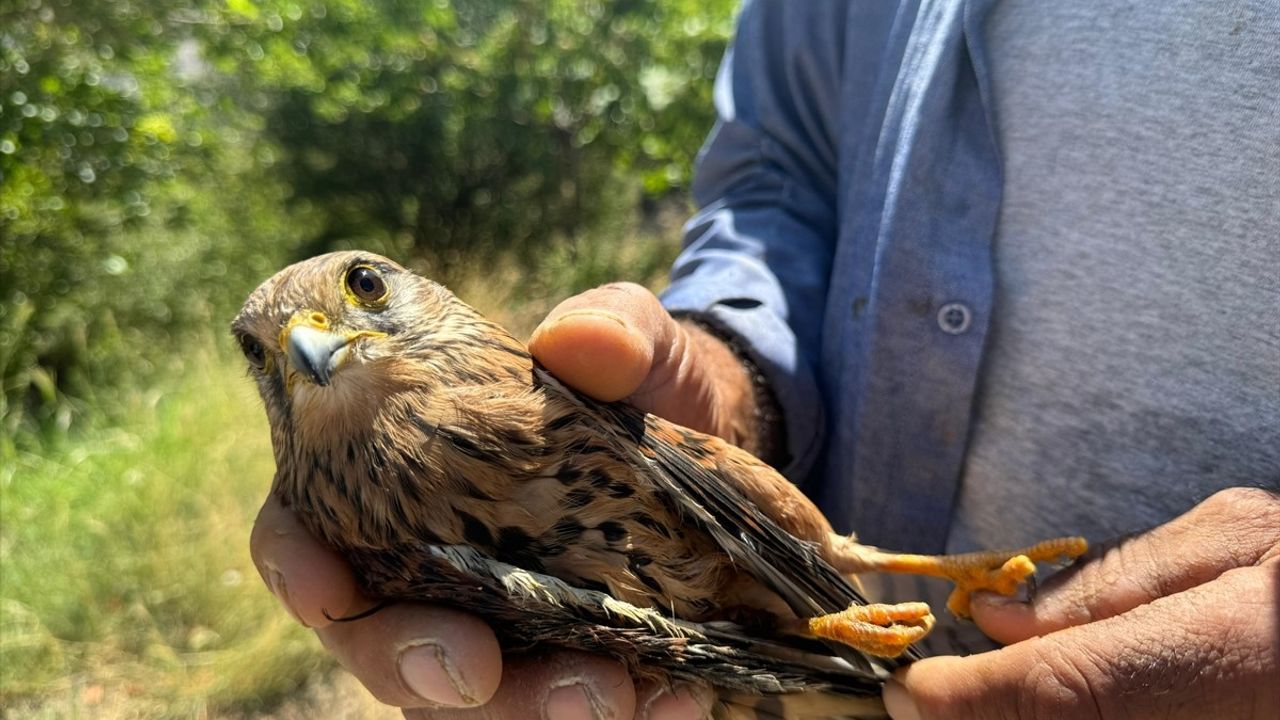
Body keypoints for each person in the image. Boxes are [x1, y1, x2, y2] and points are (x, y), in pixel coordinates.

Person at [250, 1, 1280, 718]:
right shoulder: (368, 531)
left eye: (363, 289)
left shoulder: (523, 396)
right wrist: (728, 372)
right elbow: (773, 185)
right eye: (267, 355)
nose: (310, 340)